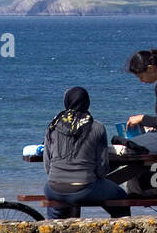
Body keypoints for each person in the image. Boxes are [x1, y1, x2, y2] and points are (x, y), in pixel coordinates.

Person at [43, 86, 130, 219]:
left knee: (57, 207)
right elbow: (102, 170)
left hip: (53, 188)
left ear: (66, 102)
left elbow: (47, 166)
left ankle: (53, 231)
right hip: (85, 189)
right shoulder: (97, 127)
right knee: (122, 200)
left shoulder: (53, 125)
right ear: (87, 103)